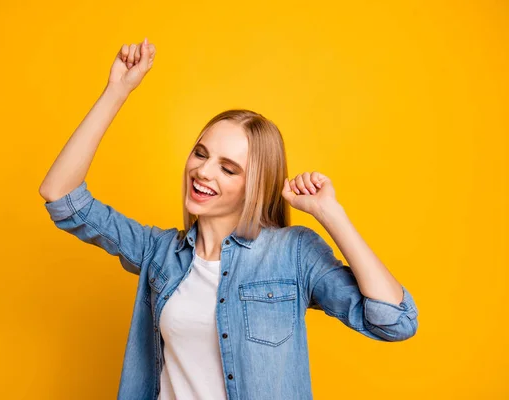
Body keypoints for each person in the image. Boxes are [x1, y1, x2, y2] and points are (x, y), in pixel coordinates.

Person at [39, 38, 419, 400]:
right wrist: (117, 91)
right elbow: (62, 197)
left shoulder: (293, 253)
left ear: (255, 185)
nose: (204, 172)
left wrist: (331, 215)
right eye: (201, 154)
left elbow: (395, 320)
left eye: (229, 168)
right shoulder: (160, 254)